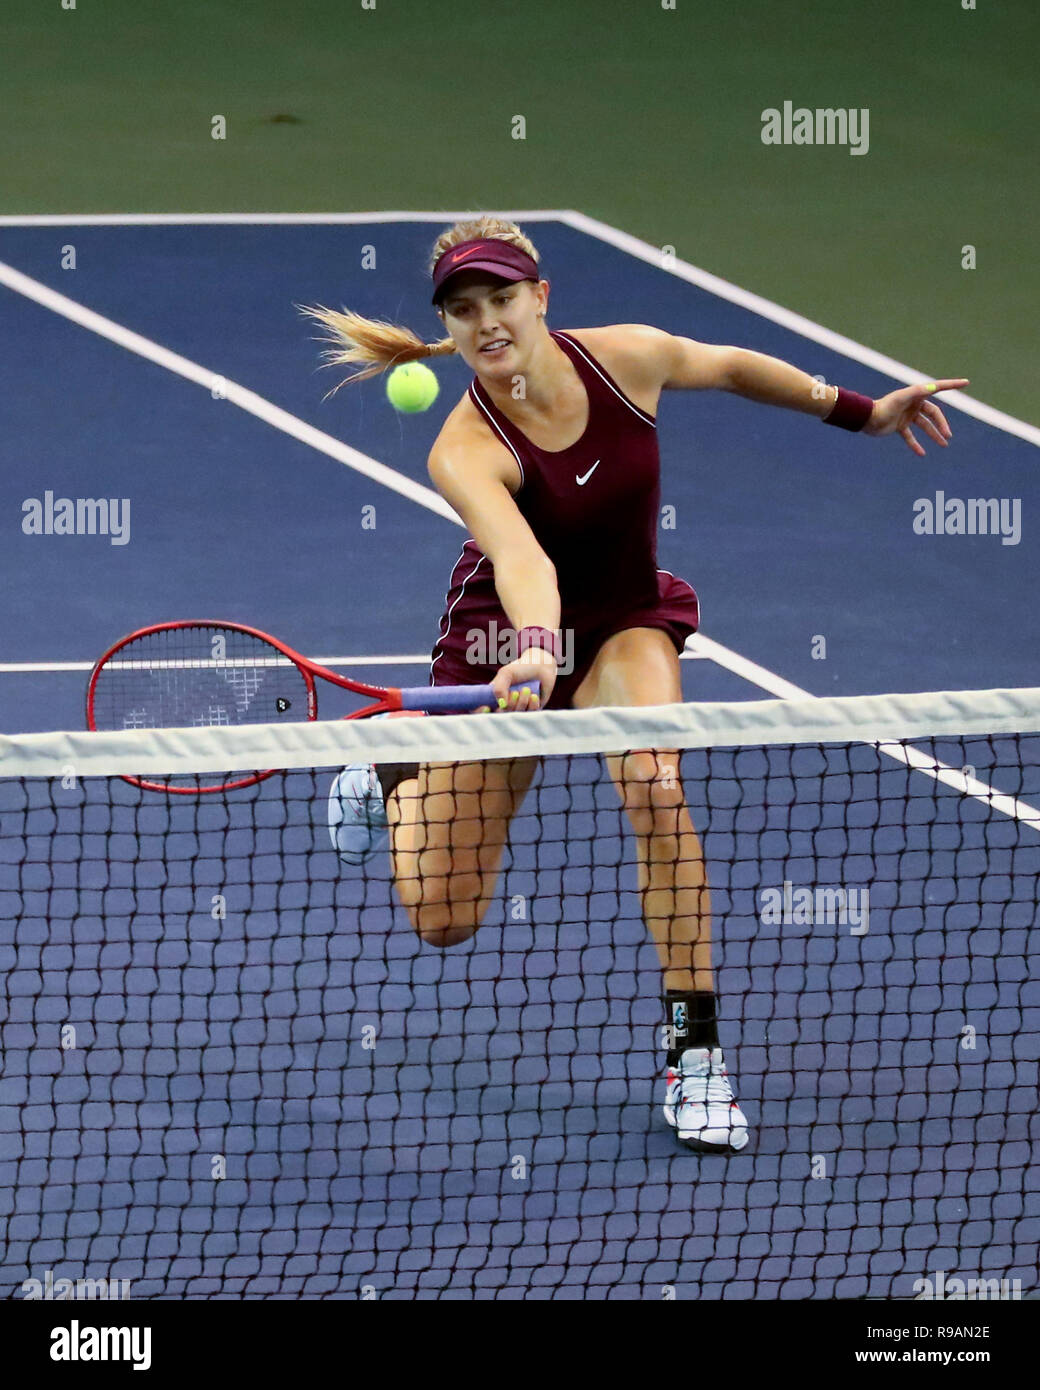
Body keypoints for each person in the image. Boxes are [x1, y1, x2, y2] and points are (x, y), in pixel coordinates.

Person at [307, 216, 967, 1153]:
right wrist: (535, 644)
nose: (486, 323)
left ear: (541, 297)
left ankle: (694, 1054)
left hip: (623, 622)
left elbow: (735, 366)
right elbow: (520, 556)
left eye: (501, 299)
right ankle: (387, 770)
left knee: (657, 786)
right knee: (444, 918)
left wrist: (864, 410)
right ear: (448, 329)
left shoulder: (630, 359)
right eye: (463, 311)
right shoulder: (460, 445)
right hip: (505, 642)